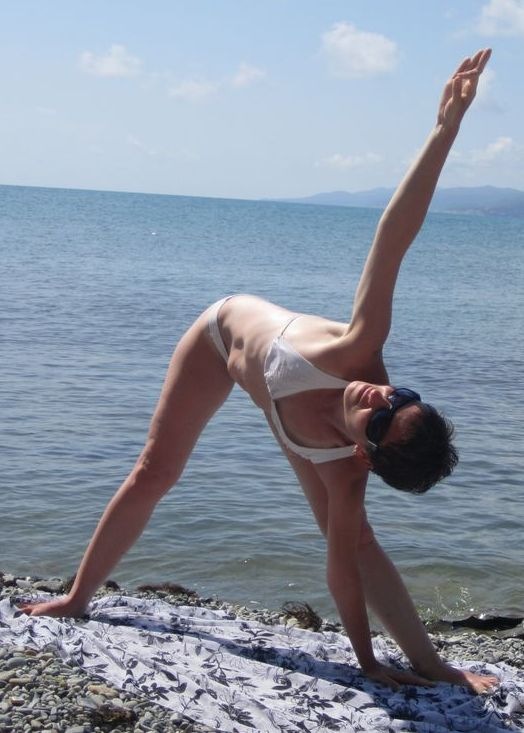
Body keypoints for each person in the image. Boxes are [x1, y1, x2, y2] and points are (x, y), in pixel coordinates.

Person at [22, 49, 497, 692]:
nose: (379, 394)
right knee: (156, 468)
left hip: (292, 417)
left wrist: (365, 661)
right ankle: (79, 596)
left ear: (368, 451)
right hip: (219, 338)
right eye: (400, 394)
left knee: (353, 538)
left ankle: (430, 662)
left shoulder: (345, 472)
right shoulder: (359, 348)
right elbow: (394, 236)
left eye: (381, 416)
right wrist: (444, 131)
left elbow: (341, 571)